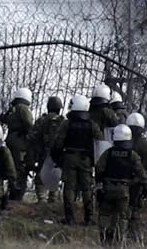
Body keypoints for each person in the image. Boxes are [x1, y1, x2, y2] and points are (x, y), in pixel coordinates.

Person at [51, 95, 103, 225]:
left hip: (69, 157)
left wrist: (57, 158)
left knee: (69, 187)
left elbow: (58, 142)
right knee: (87, 188)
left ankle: (69, 217)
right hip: (85, 159)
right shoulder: (92, 125)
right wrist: (94, 159)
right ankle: (89, 218)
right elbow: (100, 143)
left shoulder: (67, 124)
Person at [95, 124, 147, 245]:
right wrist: (145, 188)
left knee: (105, 214)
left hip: (108, 188)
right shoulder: (132, 155)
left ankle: (104, 239)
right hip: (124, 190)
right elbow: (142, 174)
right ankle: (119, 241)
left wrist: (100, 184)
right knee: (122, 217)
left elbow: (99, 169)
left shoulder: (108, 153)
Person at [0, 88, 34, 201]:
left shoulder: (13, 109)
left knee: (11, 167)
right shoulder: (23, 108)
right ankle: (17, 194)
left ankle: (11, 191)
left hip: (11, 139)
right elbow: (28, 124)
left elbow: (4, 119)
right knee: (20, 168)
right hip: (20, 142)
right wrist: (32, 136)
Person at [26, 96, 64, 203]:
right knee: (56, 176)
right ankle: (53, 199)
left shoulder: (42, 120)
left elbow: (31, 136)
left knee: (40, 177)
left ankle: (42, 199)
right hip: (58, 154)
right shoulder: (63, 121)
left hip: (43, 153)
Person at [126, 113, 147, 238]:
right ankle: (133, 234)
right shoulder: (146, 145)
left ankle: (120, 233)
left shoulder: (122, 141)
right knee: (135, 207)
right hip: (138, 180)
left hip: (123, 179)